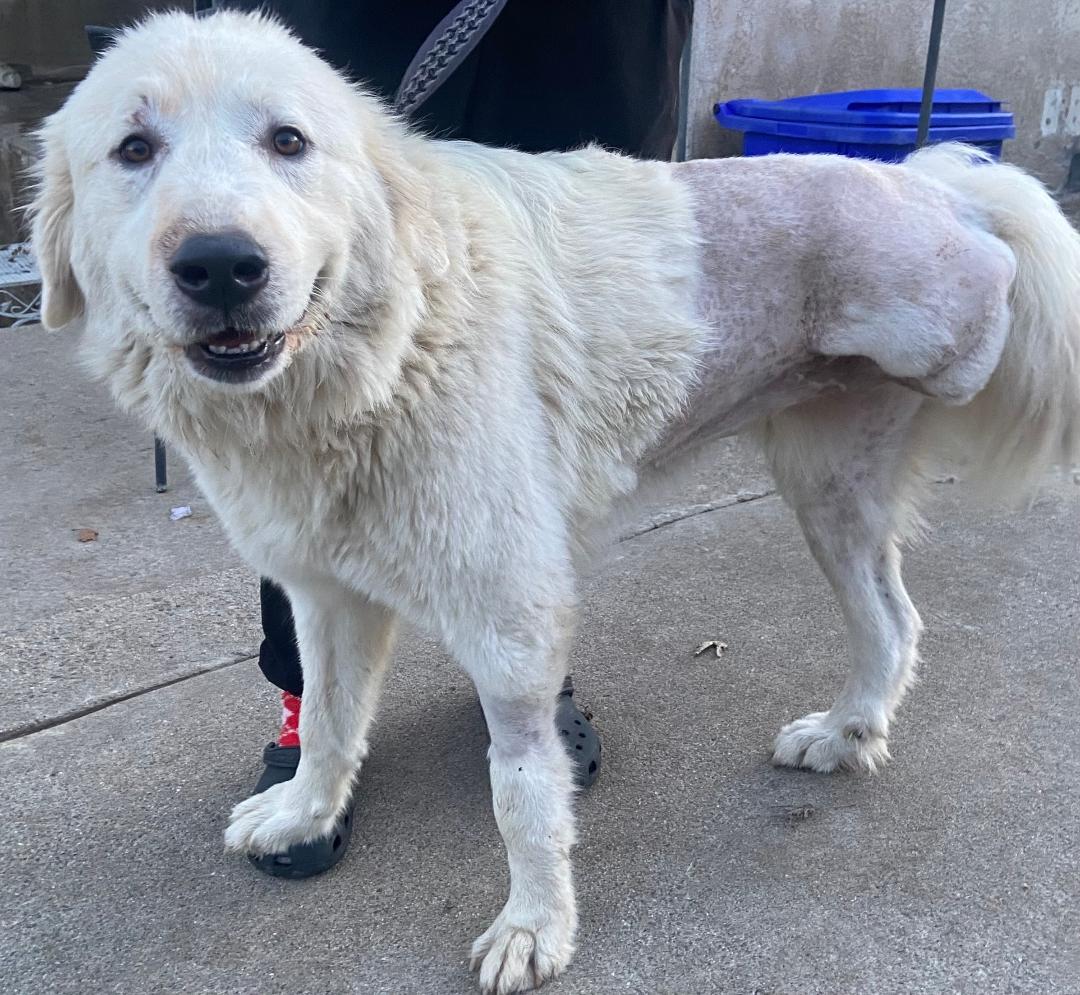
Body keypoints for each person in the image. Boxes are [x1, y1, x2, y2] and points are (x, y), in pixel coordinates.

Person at [214, 0, 692, 878]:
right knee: (287, 405)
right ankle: (308, 705)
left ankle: (520, 664)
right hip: (366, 27)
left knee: (546, 376)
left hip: (584, 41)